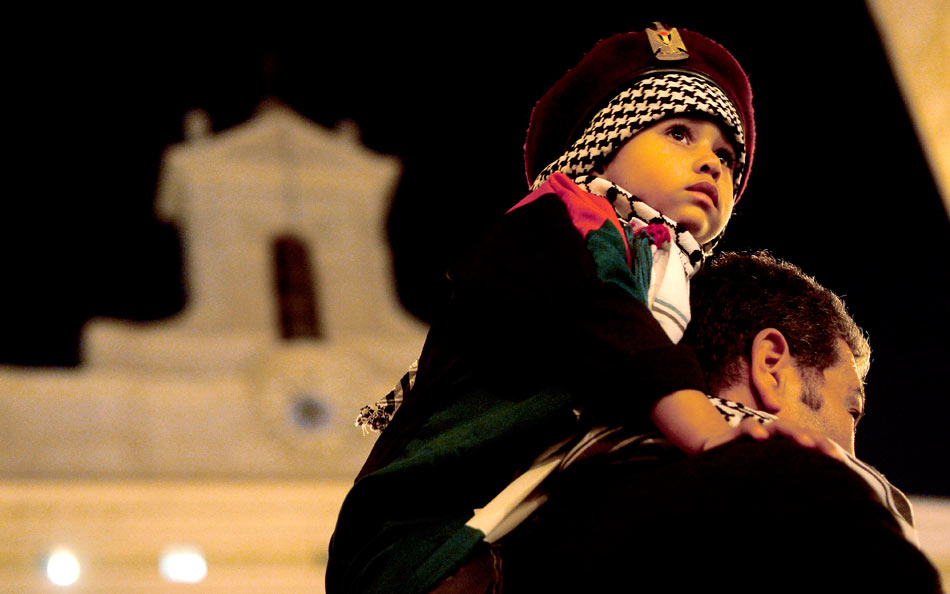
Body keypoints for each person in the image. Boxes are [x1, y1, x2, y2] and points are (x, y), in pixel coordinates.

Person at [328, 25, 831, 594]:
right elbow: (612, 325)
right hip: (424, 537)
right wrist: (713, 438)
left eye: (725, 155)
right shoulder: (561, 225)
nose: (712, 163)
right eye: (679, 134)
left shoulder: (673, 278)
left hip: (518, 514)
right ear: (602, 145)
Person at [496, 251, 944, 593]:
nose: (852, 446)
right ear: (770, 365)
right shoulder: (807, 484)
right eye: (851, 410)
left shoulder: (524, 512)